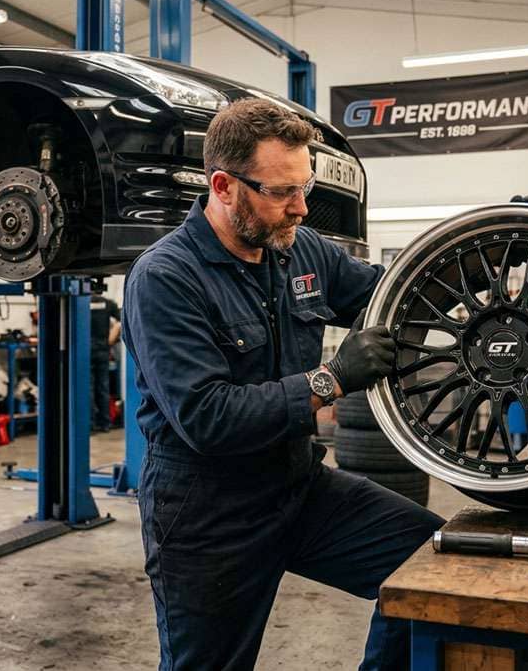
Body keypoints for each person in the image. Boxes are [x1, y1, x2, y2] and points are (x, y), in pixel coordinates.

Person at [122, 98, 444, 670]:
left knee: (432, 566)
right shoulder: (165, 278)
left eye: (305, 187)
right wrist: (333, 378)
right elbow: (208, 418)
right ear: (223, 186)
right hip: (208, 514)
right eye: (281, 193)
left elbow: (388, 295)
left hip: (297, 488)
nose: (300, 208)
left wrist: (470, 264)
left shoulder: (300, 249)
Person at [90, 293, 121, 432]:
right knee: (103, 387)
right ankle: (105, 423)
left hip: (85, 350)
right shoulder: (108, 303)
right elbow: (122, 321)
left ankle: (90, 423)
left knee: (88, 388)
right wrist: (110, 339)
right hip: (103, 349)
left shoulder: (81, 301)